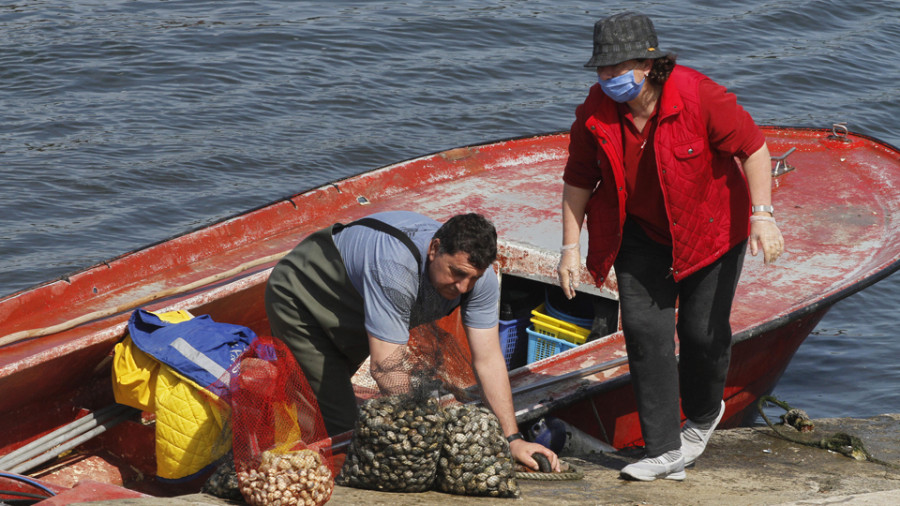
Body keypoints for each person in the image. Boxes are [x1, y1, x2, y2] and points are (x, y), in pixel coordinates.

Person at [557, 12, 784, 481]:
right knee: (644, 334)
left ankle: (703, 414)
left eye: (616, 68)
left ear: (648, 64)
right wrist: (568, 249)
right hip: (639, 236)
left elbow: (754, 148)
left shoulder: (699, 95)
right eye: (601, 69)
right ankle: (663, 451)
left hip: (710, 231)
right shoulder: (595, 110)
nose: (606, 78)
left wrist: (763, 216)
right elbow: (579, 180)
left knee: (701, 335)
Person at [265, 210, 559, 472]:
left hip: (358, 311)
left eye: (472, 278)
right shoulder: (395, 267)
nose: (462, 288)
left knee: (336, 399)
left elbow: (489, 359)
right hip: (302, 299)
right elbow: (386, 366)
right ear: (434, 249)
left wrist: (513, 439)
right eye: (456, 274)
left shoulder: (479, 280)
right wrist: (418, 433)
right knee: (341, 427)